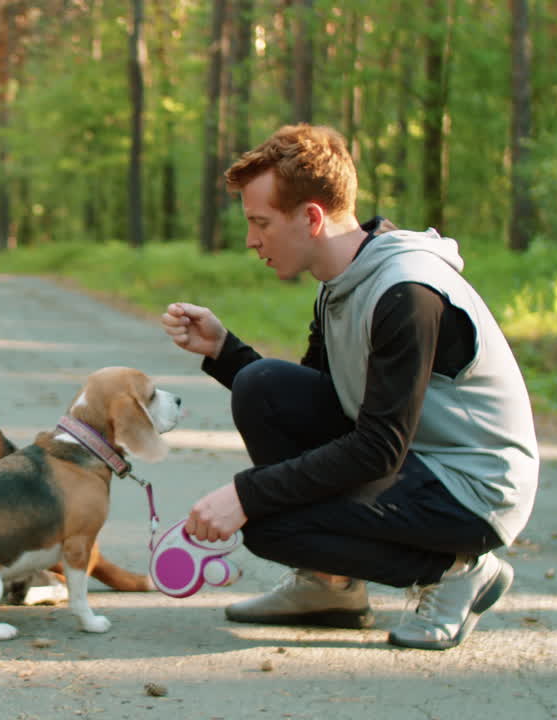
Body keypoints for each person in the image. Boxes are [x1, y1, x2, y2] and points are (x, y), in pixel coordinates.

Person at [161, 124, 538, 650]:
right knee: (260, 384)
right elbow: (318, 402)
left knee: (271, 525)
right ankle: (329, 588)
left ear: (311, 218)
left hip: (471, 491)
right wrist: (226, 353)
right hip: (415, 465)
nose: (251, 240)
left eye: (260, 223)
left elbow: (377, 448)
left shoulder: (407, 292)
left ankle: (456, 571)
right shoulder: (342, 283)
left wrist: (245, 495)